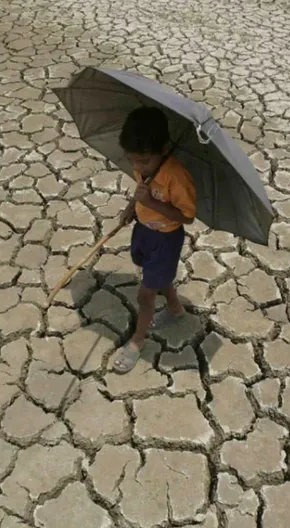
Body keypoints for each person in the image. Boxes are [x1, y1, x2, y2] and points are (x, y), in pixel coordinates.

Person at [111, 106, 197, 374]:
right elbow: (140, 192)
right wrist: (130, 209)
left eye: (144, 161)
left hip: (166, 239)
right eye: (132, 160)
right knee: (156, 276)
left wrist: (149, 202)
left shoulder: (176, 177)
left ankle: (137, 341)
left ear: (164, 149)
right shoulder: (145, 165)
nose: (137, 167)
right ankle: (175, 309)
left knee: (145, 295)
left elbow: (187, 217)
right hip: (144, 231)